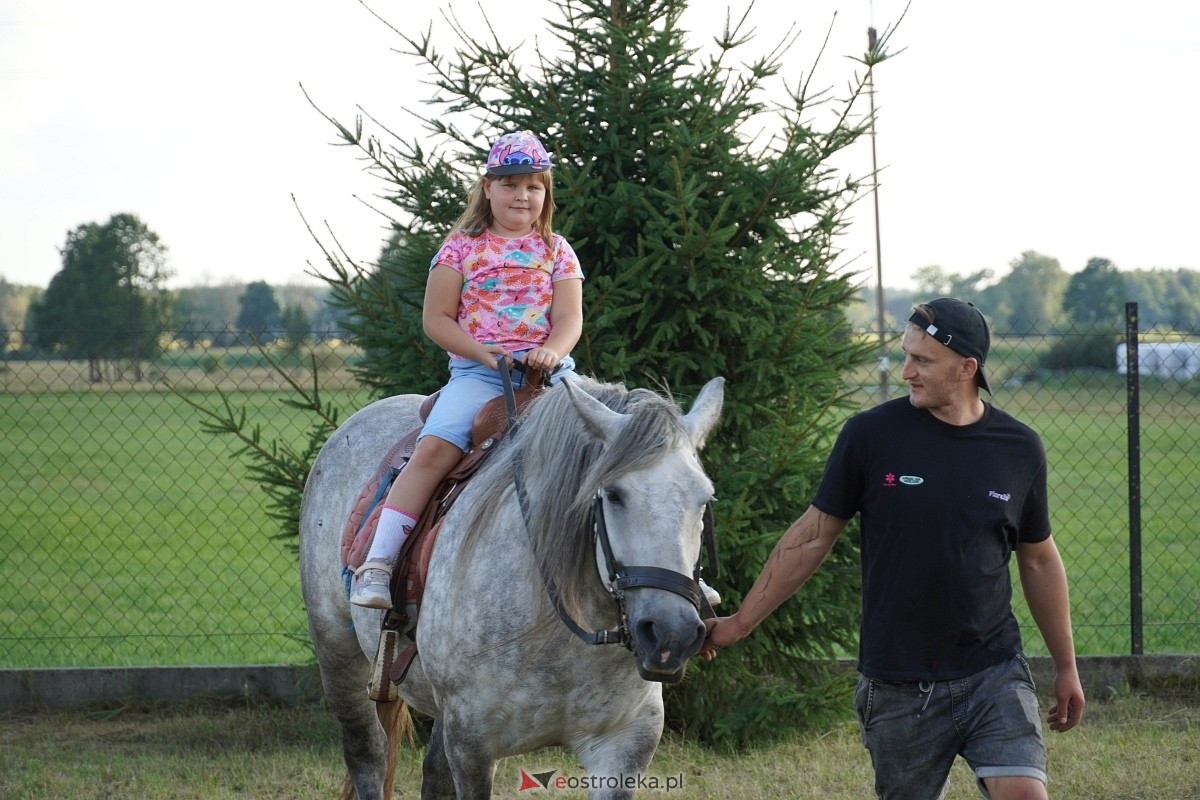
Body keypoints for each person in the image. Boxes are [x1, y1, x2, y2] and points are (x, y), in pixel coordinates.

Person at [703, 298, 1085, 799]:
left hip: (992, 668)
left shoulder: (1019, 448)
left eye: (922, 361)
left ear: (967, 368)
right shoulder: (870, 435)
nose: (906, 371)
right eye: (905, 355)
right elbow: (812, 535)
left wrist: (1066, 665)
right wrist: (737, 624)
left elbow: (1038, 558)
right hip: (898, 684)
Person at [350, 129, 585, 609]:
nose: (522, 196)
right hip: (480, 376)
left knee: (606, 439)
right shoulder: (461, 248)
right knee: (436, 447)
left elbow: (569, 318)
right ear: (487, 187)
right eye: (510, 185)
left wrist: (553, 352)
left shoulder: (557, 250)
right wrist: (483, 353)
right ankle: (379, 562)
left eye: (534, 187)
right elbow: (436, 319)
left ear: (546, 193)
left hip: (551, 375)